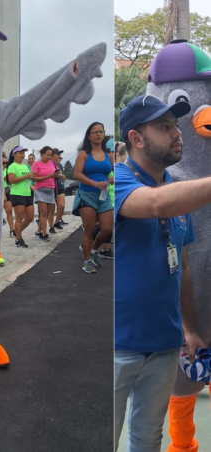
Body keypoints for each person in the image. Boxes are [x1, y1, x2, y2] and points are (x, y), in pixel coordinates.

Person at [114, 95, 209, 452]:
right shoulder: (119, 180)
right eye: (164, 126)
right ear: (136, 139)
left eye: (176, 125)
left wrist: (189, 329)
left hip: (166, 347)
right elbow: (154, 204)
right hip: (118, 346)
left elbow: (182, 267)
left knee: (148, 437)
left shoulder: (175, 190)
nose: (177, 133)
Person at [72, 122, 114, 274]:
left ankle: (95, 250)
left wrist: (113, 178)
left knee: (107, 229)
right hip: (87, 194)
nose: (99, 134)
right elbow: (77, 174)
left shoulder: (109, 154)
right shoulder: (84, 154)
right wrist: (94, 183)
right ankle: (87, 260)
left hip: (104, 196)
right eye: (95, 132)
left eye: (101, 131)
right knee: (89, 229)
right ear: (89, 136)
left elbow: (115, 172)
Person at [7, 146, 36, 248]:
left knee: (30, 217)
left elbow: (27, 180)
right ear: (14, 154)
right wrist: (25, 176)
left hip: (27, 194)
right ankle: (18, 239)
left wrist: (31, 180)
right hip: (17, 194)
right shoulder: (12, 166)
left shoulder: (25, 166)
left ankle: (17, 231)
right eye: (20, 153)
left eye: (23, 153)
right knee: (19, 218)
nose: (23, 155)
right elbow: (11, 180)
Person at [31, 146, 60, 242]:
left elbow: (55, 175)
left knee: (49, 212)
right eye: (47, 155)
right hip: (40, 190)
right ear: (42, 154)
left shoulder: (52, 163)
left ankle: (38, 231)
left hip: (50, 190)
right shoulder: (36, 164)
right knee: (43, 212)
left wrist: (56, 175)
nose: (49, 157)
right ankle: (45, 233)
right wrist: (47, 176)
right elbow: (34, 178)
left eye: (51, 155)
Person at [48, 148, 67, 230]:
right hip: (52, 188)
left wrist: (63, 177)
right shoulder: (48, 164)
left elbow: (61, 175)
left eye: (60, 155)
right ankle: (51, 226)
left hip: (60, 187)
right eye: (58, 154)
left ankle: (57, 222)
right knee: (51, 209)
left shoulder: (60, 165)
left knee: (61, 206)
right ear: (52, 156)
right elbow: (51, 174)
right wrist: (59, 176)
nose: (59, 156)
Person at [2, 155, 14, 237]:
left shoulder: (7, 170)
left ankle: (12, 230)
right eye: (3, 163)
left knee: (9, 211)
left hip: (6, 190)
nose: (5, 164)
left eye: (6, 163)